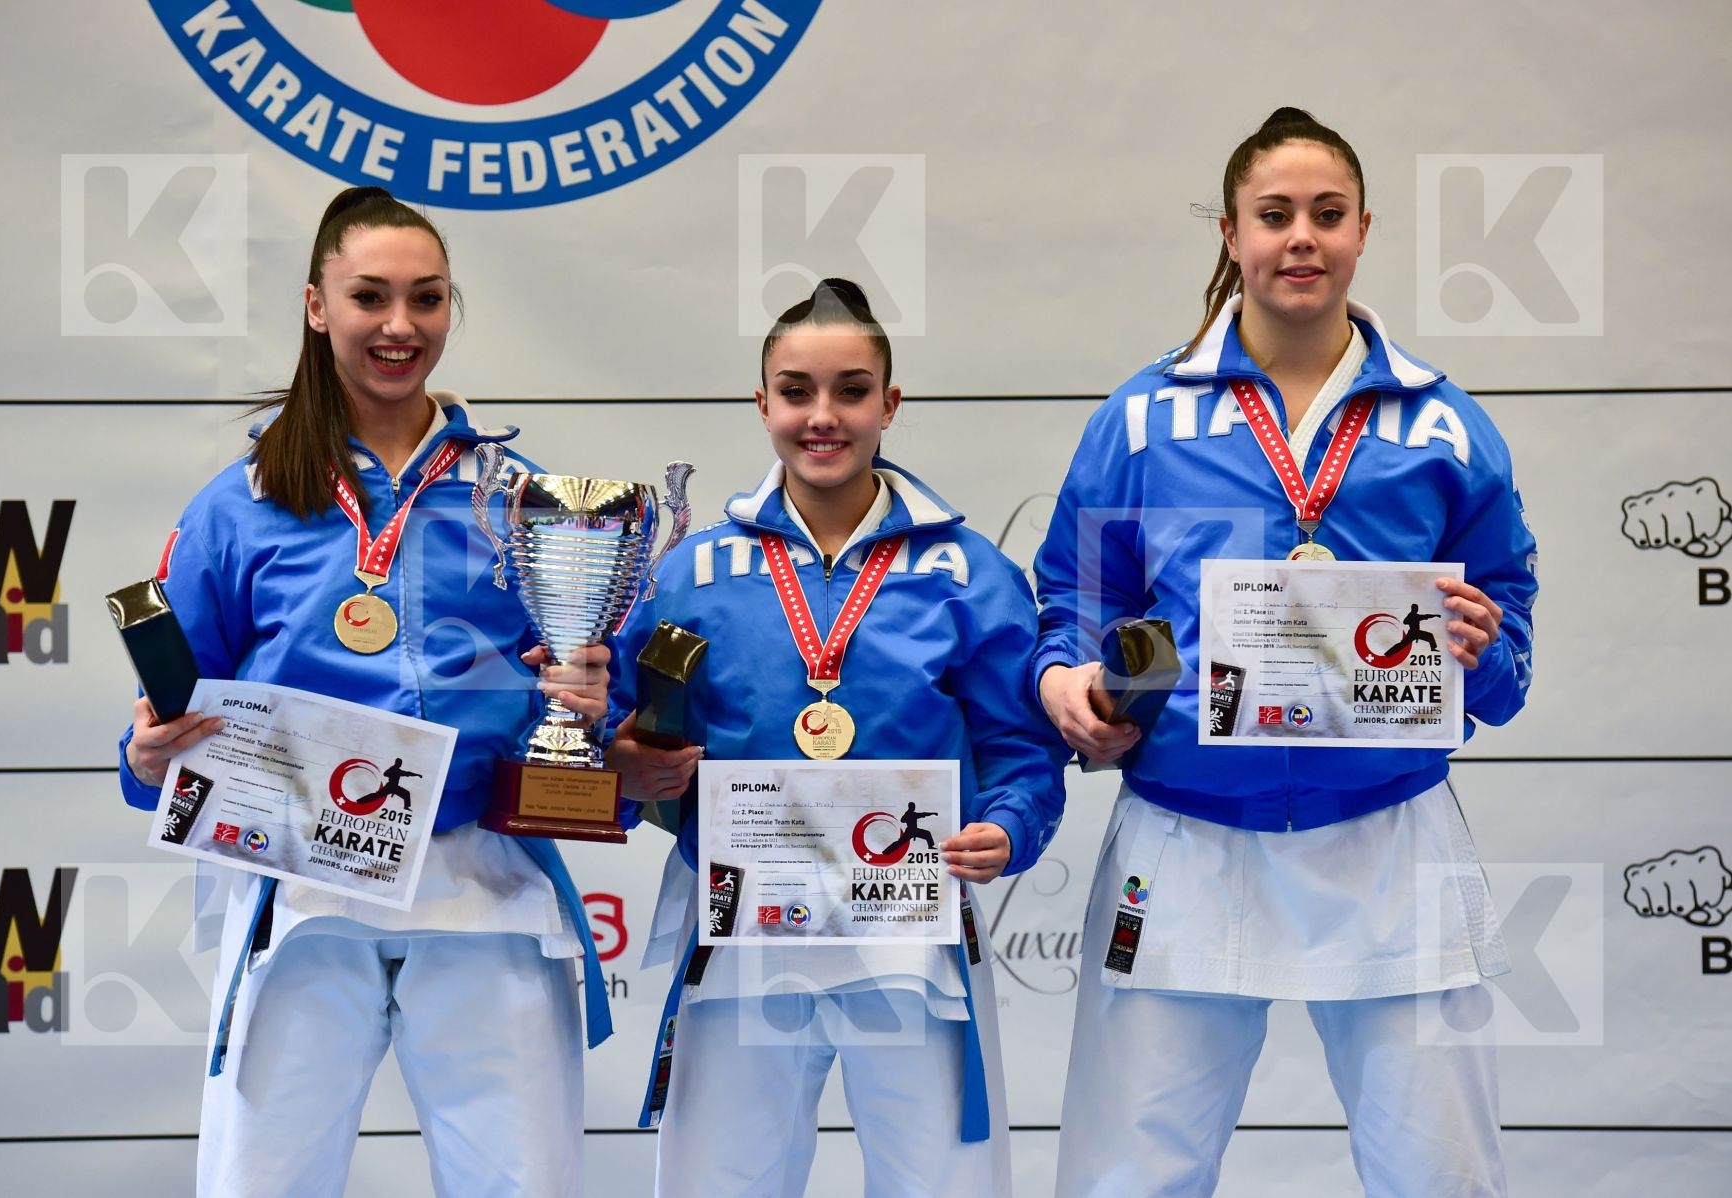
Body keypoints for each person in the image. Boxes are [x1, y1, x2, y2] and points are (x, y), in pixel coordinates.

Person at [1034, 109, 1537, 1197]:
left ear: (1364, 232)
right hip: (1184, 835)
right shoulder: (1140, 418)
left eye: (1326, 214)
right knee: (1127, 1178)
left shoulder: (1444, 427)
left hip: (1389, 836)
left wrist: (1482, 651)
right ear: (1230, 234)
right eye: (1274, 216)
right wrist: (1065, 680)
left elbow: (1510, 635)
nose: (1300, 237)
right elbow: (1076, 598)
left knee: (1443, 1176)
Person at [118, 186, 614, 1198]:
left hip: (483, 884)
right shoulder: (242, 501)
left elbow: (593, 705)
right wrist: (145, 758)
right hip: (298, 890)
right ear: (316, 306)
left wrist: (591, 704)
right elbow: (159, 741)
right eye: (371, 297)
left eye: (427, 299)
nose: (400, 326)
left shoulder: (519, 495)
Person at [605, 279, 1069, 1197]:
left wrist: (1008, 828)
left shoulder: (966, 570)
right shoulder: (692, 572)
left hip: (912, 936)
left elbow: (1023, 749)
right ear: (762, 402)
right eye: (797, 391)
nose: (824, 417)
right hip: (740, 931)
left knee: (943, 1183)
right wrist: (628, 770)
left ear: (890, 404)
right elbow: (623, 738)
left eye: (852, 391)